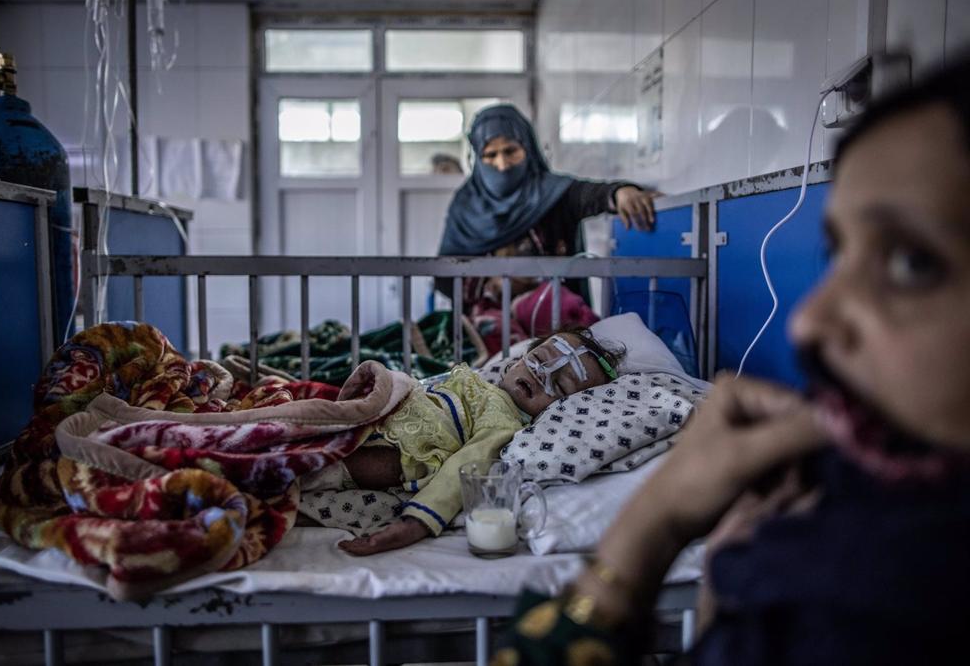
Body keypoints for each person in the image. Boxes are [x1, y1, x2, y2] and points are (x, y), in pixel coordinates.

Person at [495, 56, 970, 664]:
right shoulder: (827, 542)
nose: (808, 320)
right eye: (837, 253)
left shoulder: (880, 607)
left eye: (910, 264)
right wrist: (726, 591)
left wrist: (650, 530)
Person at [336, 327, 625, 556]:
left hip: (401, 450)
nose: (541, 374)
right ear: (515, 362)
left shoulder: (504, 420)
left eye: (559, 385)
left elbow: (467, 465)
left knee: (332, 461)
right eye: (538, 359)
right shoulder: (475, 381)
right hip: (373, 419)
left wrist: (416, 522)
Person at [437, 104, 659, 352]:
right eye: (491, 155)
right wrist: (495, 283)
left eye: (511, 151)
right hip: (489, 331)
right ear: (477, 158)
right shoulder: (465, 205)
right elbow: (445, 275)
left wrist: (621, 192)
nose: (502, 164)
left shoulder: (552, 193)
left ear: (528, 149)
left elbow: (589, 194)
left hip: (555, 325)